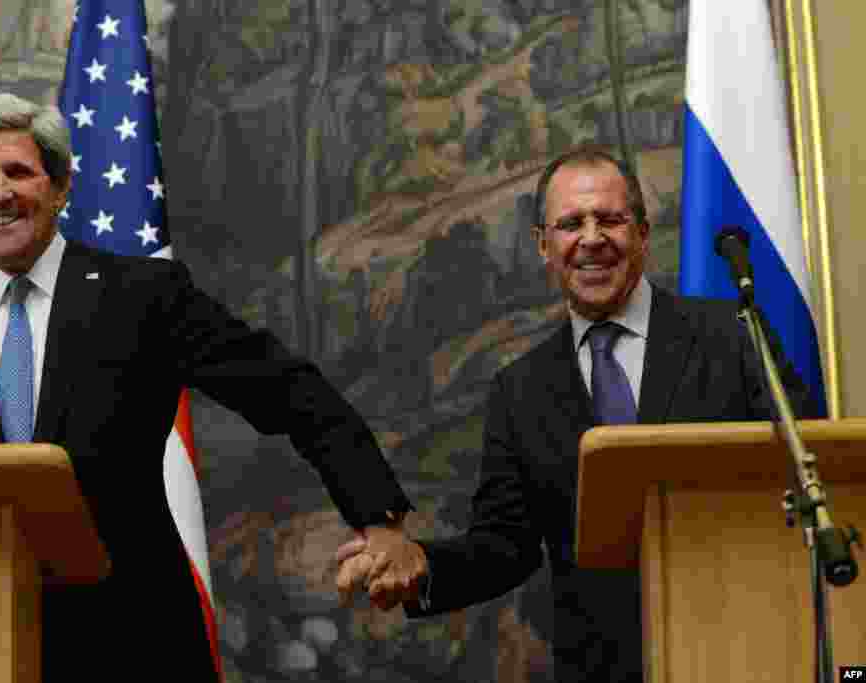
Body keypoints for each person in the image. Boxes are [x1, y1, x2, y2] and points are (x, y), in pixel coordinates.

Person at [0, 92, 422, 681]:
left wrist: (379, 517)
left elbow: (289, 390)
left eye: (18, 171)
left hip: (137, 644)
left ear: (61, 188)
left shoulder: (141, 296)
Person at [334, 146, 819, 682]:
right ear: (545, 245)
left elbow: (807, 469)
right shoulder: (520, 391)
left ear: (641, 231)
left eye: (610, 219)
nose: (592, 238)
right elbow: (504, 548)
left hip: (746, 648)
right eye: (570, 224)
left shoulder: (733, 335)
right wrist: (424, 564)